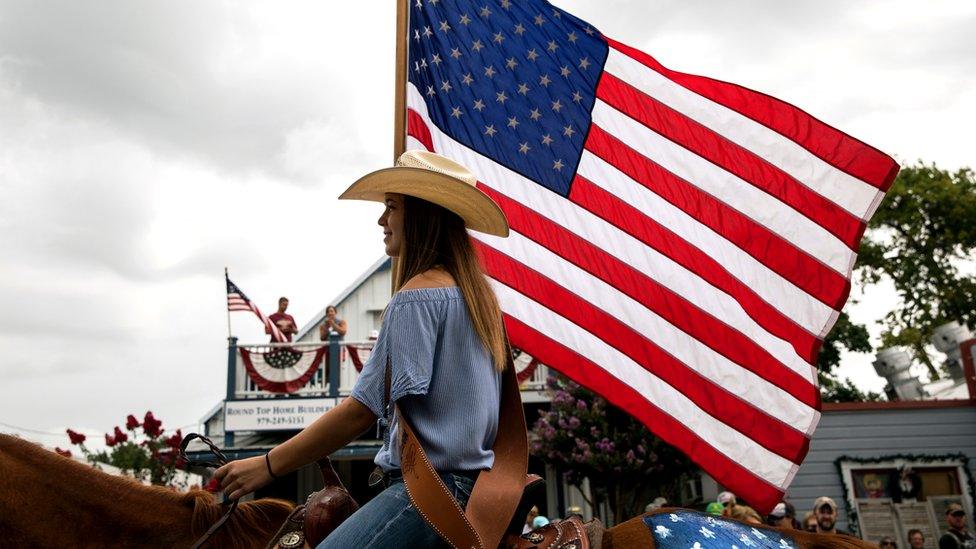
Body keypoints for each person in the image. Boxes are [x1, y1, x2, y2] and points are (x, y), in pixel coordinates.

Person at [213, 150, 512, 548]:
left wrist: (267, 464)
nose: (381, 220)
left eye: (391, 207)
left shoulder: (416, 298)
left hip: (429, 494)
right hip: (480, 493)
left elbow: (360, 411)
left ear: (420, 214)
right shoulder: (480, 300)